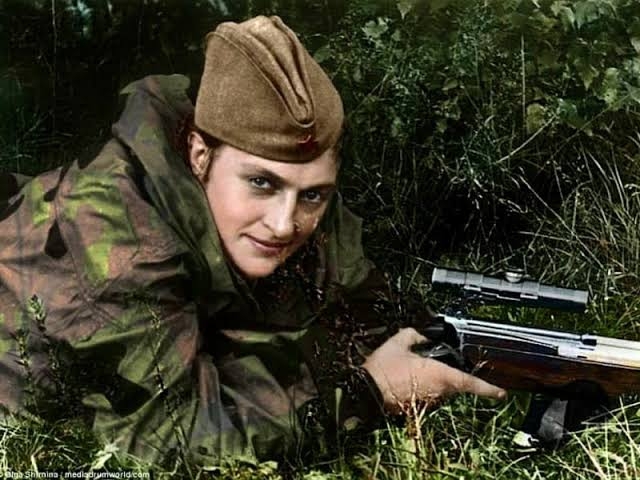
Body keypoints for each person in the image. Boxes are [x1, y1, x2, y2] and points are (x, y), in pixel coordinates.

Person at [0, 16, 505, 465]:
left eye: (313, 195)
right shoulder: (119, 240)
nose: (285, 224)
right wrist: (366, 396)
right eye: (261, 183)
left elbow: (365, 308)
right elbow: (173, 439)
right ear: (200, 155)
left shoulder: (292, 197)